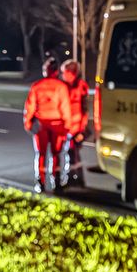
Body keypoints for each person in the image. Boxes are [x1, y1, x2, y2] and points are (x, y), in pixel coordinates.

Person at [22, 57, 69, 194]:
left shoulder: (37, 86)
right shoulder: (61, 87)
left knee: (41, 154)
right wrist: (67, 126)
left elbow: (29, 107)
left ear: (46, 71)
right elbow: (65, 108)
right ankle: (57, 182)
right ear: (56, 72)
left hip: (41, 125)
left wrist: (28, 123)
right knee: (56, 154)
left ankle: (40, 183)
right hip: (57, 124)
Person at [58, 59, 89, 188]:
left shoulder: (81, 86)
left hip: (76, 127)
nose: (63, 75)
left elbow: (85, 108)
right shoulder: (63, 86)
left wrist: (82, 129)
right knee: (72, 153)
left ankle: (73, 178)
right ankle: (76, 178)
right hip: (67, 127)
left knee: (71, 152)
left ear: (72, 73)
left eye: (64, 72)